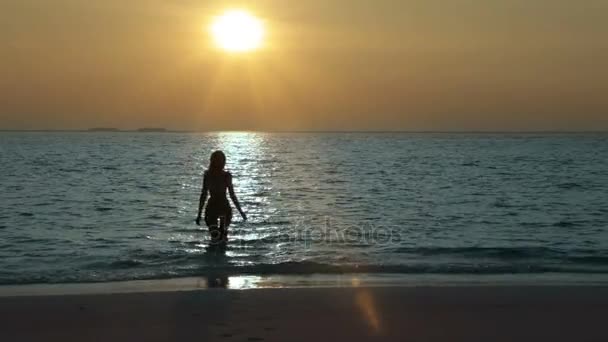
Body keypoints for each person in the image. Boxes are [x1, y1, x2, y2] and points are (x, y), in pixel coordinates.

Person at [196, 151, 247, 243]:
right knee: (216, 237)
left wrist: (241, 211)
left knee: (222, 237)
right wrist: (199, 213)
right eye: (220, 160)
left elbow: (232, 195)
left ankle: (220, 255)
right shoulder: (208, 175)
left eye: (222, 160)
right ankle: (215, 255)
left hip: (223, 208)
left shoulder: (226, 176)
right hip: (213, 208)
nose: (222, 162)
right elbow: (204, 194)